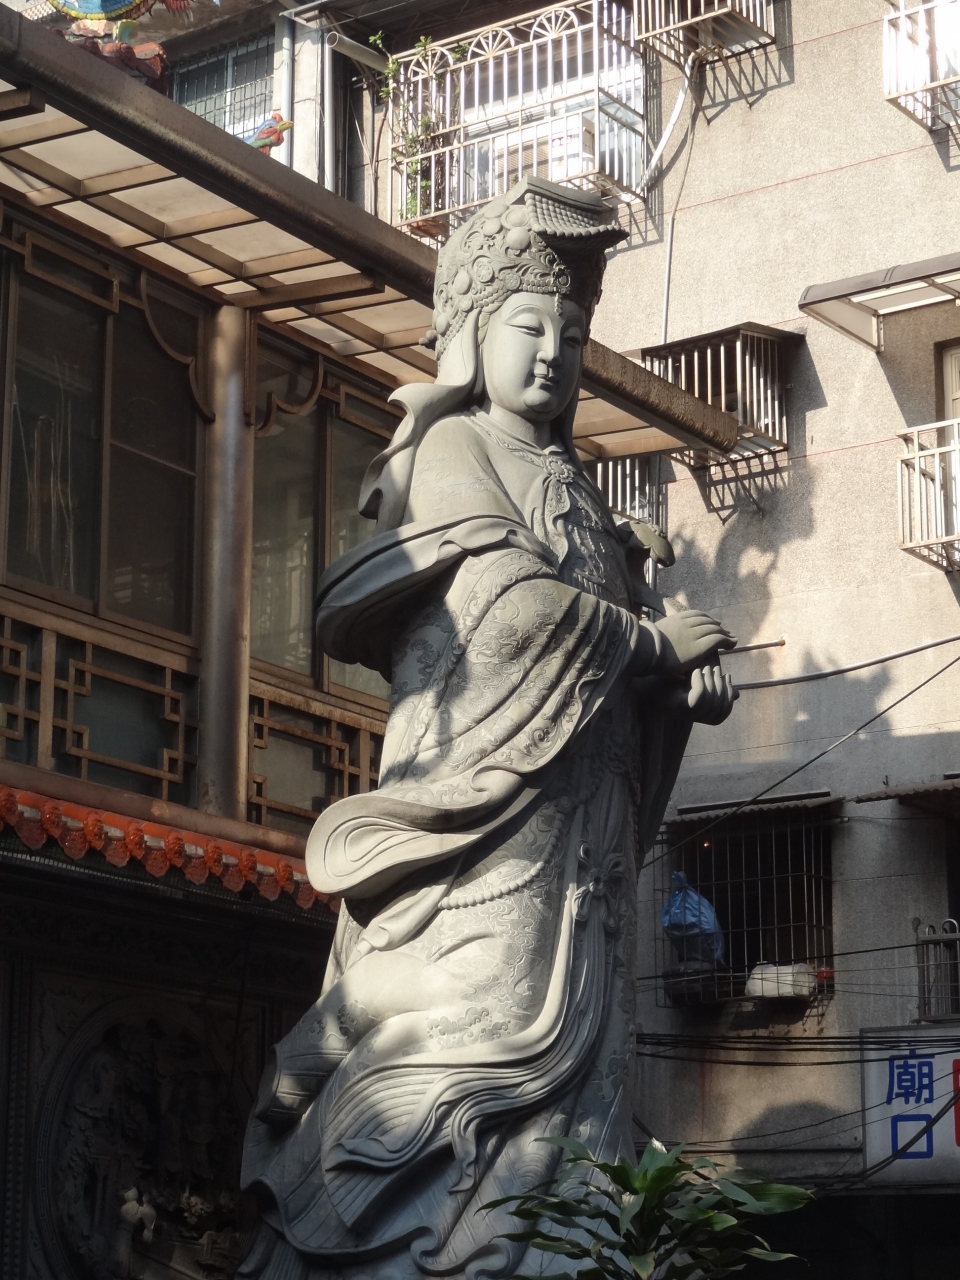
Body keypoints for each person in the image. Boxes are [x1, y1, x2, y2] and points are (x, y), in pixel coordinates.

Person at [239, 175, 736, 1280]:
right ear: (472, 332)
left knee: (584, 1033)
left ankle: (555, 1232)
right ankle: (381, 1168)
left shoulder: (584, 492)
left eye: (573, 334)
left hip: (582, 816)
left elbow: (617, 650)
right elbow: (506, 610)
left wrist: (676, 690)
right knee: (483, 1003)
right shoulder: (450, 449)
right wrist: (649, 643)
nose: (554, 354)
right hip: (491, 797)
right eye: (529, 327)